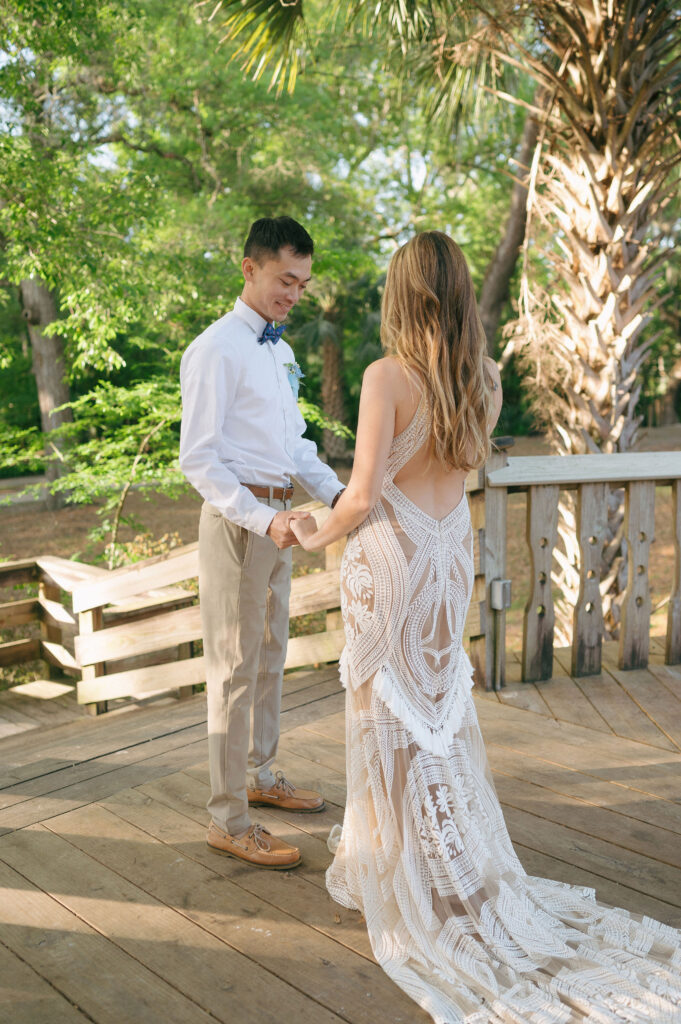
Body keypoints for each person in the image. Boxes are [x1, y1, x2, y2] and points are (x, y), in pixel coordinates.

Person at [292, 232, 681, 1022]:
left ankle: (404, 874)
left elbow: (361, 496)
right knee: (436, 711)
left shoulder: (384, 377)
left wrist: (309, 529)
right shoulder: (488, 380)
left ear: (403, 296)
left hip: (390, 559)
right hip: (445, 558)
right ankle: (438, 865)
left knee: (384, 713)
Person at [179, 216, 345, 871]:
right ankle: (228, 819)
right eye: (284, 280)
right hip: (240, 524)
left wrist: (337, 497)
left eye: (302, 284)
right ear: (247, 268)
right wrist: (259, 518)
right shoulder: (215, 348)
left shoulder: (278, 351)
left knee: (272, 655)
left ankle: (262, 775)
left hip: (283, 523)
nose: (294, 294)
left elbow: (295, 446)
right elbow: (198, 459)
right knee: (233, 670)